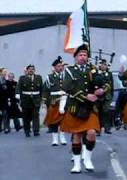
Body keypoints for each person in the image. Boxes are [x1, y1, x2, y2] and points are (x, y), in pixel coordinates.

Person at [60, 44, 101, 173]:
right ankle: (77, 164)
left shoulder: (92, 69)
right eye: (80, 55)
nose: (83, 57)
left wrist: (100, 90)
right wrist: (85, 96)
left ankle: (87, 159)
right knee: (76, 135)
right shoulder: (69, 70)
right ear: (75, 57)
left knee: (91, 133)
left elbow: (101, 83)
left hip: (90, 107)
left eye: (85, 55)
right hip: (75, 107)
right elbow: (68, 87)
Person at [43, 56, 67, 146]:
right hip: (54, 101)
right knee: (54, 121)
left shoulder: (66, 76)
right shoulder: (50, 77)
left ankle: (62, 137)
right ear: (54, 67)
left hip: (64, 101)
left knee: (63, 121)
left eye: (61, 66)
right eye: (58, 66)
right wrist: (45, 101)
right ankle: (55, 139)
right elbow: (45, 90)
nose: (60, 67)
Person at [16, 64, 43, 137]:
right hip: (26, 99)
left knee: (36, 115)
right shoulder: (22, 78)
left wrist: (42, 98)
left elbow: (41, 88)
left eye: (33, 69)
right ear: (27, 70)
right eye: (30, 69)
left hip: (36, 99)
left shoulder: (38, 77)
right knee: (26, 116)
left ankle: (36, 130)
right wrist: (18, 94)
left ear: (34, 70)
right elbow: (18, 87)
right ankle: (27, 131)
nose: (31, 70)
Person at [96, 59, 113, 134]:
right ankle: (98, 129)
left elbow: (111, 85)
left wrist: (111, 95)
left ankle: (107, 128)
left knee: (107, 112)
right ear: (100, 65)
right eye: (102, 65)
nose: (104, 66)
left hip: (107, 96)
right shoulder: (97, 73)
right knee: (98, 112)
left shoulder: (109, 74)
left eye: (105, 65)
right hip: (98, 96)